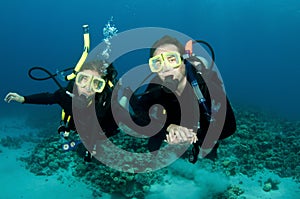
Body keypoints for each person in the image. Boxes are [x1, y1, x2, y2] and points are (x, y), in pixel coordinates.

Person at [123, 35, 236, 163]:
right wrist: (168, 128)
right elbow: (140, 115)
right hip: (172, 122)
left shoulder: (206, 86)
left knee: (209, 151)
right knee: (153, 145)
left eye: (172, 59)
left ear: (184, 61)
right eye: (158, 63)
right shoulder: (156, 85)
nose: (165, 68)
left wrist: (193, 135)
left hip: (201, 128)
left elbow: (229, 127)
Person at [4, 60, 119, 161]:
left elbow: (113, 129)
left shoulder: (107, 106)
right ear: (76, 78)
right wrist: (23, 99)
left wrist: (94, 141)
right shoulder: (66, 96)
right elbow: (48, 98)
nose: (87, 87)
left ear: (102, 87)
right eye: (84, 78)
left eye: (96, 83)